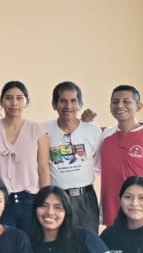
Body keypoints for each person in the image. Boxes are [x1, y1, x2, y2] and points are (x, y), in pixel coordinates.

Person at [0, 81, 50, 230]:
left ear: (27, 102)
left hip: (30, 201)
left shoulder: (37, 130)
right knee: (3, 242)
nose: (14, 103)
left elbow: (43, 169)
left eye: (19, 98)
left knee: (31, 242)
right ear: (1, 101)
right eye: (8, 98)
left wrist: (45, 202)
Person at [99, 85, 143, 227]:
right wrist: (85, 120)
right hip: (112, 214)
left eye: (126, 101)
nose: (120, 105)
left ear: (138, 106)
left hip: (142, 214)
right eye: (115, 102)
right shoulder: (103, 135)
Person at [43, 82, 103, 231]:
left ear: (80, 104)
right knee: (56, 240)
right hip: (56, 198)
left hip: (85, 199)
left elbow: (98, 164)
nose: (68, 106)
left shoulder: (93, 131)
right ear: (54, 104)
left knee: (88, 240)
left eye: (73, 101)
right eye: (63, 101)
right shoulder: (43, 130)